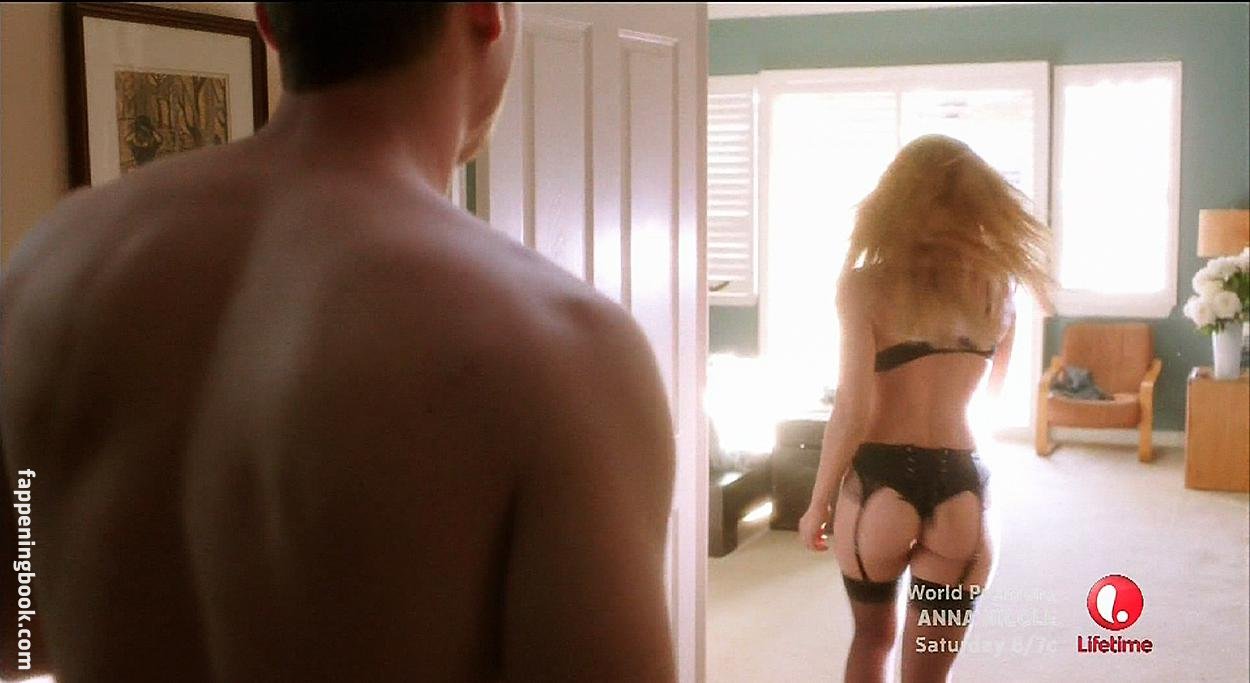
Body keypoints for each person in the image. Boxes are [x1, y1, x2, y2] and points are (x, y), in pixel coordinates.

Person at [0, 4, 677, 681]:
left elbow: (19, 635)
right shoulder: (565, 349)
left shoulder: (46, 267)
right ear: (485, 10)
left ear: (269, 20)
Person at [797, 134, 1053, 683]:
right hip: (963, 486)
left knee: (871, 640)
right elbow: (990, 400)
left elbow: (852, 408)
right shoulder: (999, 290)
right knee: (929, 674)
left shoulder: (864, 286)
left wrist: (818, 501)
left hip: (878, 486)